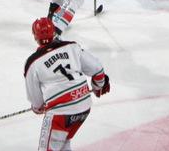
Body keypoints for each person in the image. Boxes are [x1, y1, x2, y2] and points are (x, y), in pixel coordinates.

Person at [24, 17, 110, 151]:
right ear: (54, 32)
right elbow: (97, 69)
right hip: (83, 107)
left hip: (60, 113)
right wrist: (98, 86)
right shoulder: (71, 47)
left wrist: (37, 108)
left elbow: (37, 103)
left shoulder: (32, 63)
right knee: (63, 144)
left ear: (35, 36)